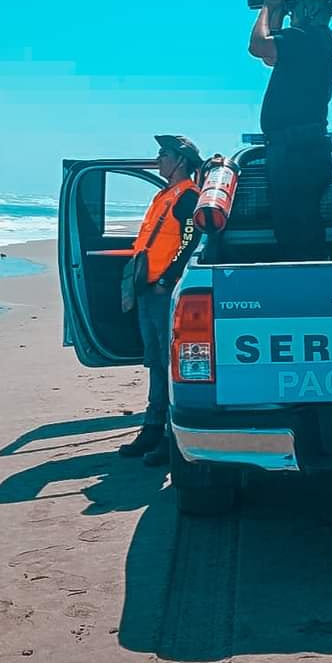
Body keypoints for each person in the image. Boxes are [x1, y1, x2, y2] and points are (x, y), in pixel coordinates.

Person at [118, 135, 204, 467]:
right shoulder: (164, 195)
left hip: (164, 292)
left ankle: (169, 436)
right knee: (155, 362)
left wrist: (167, 279)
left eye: (163, 154)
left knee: (169, 366)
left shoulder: (188, 197)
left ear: (181, 160)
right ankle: (152, 428)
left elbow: (190, 241)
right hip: (148, 289)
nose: (158, 159)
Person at [248, 0, 332, 261]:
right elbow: (270, 56)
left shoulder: (311, 38)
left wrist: (268, 7)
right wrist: (277, 12)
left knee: (298, 230)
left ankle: (312, 289)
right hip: (302, 148)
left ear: (314, 6)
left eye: (299, 4)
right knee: (297, 226)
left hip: (297, 149)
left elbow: (258, 46)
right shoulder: (317, 40)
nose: (295, 11)